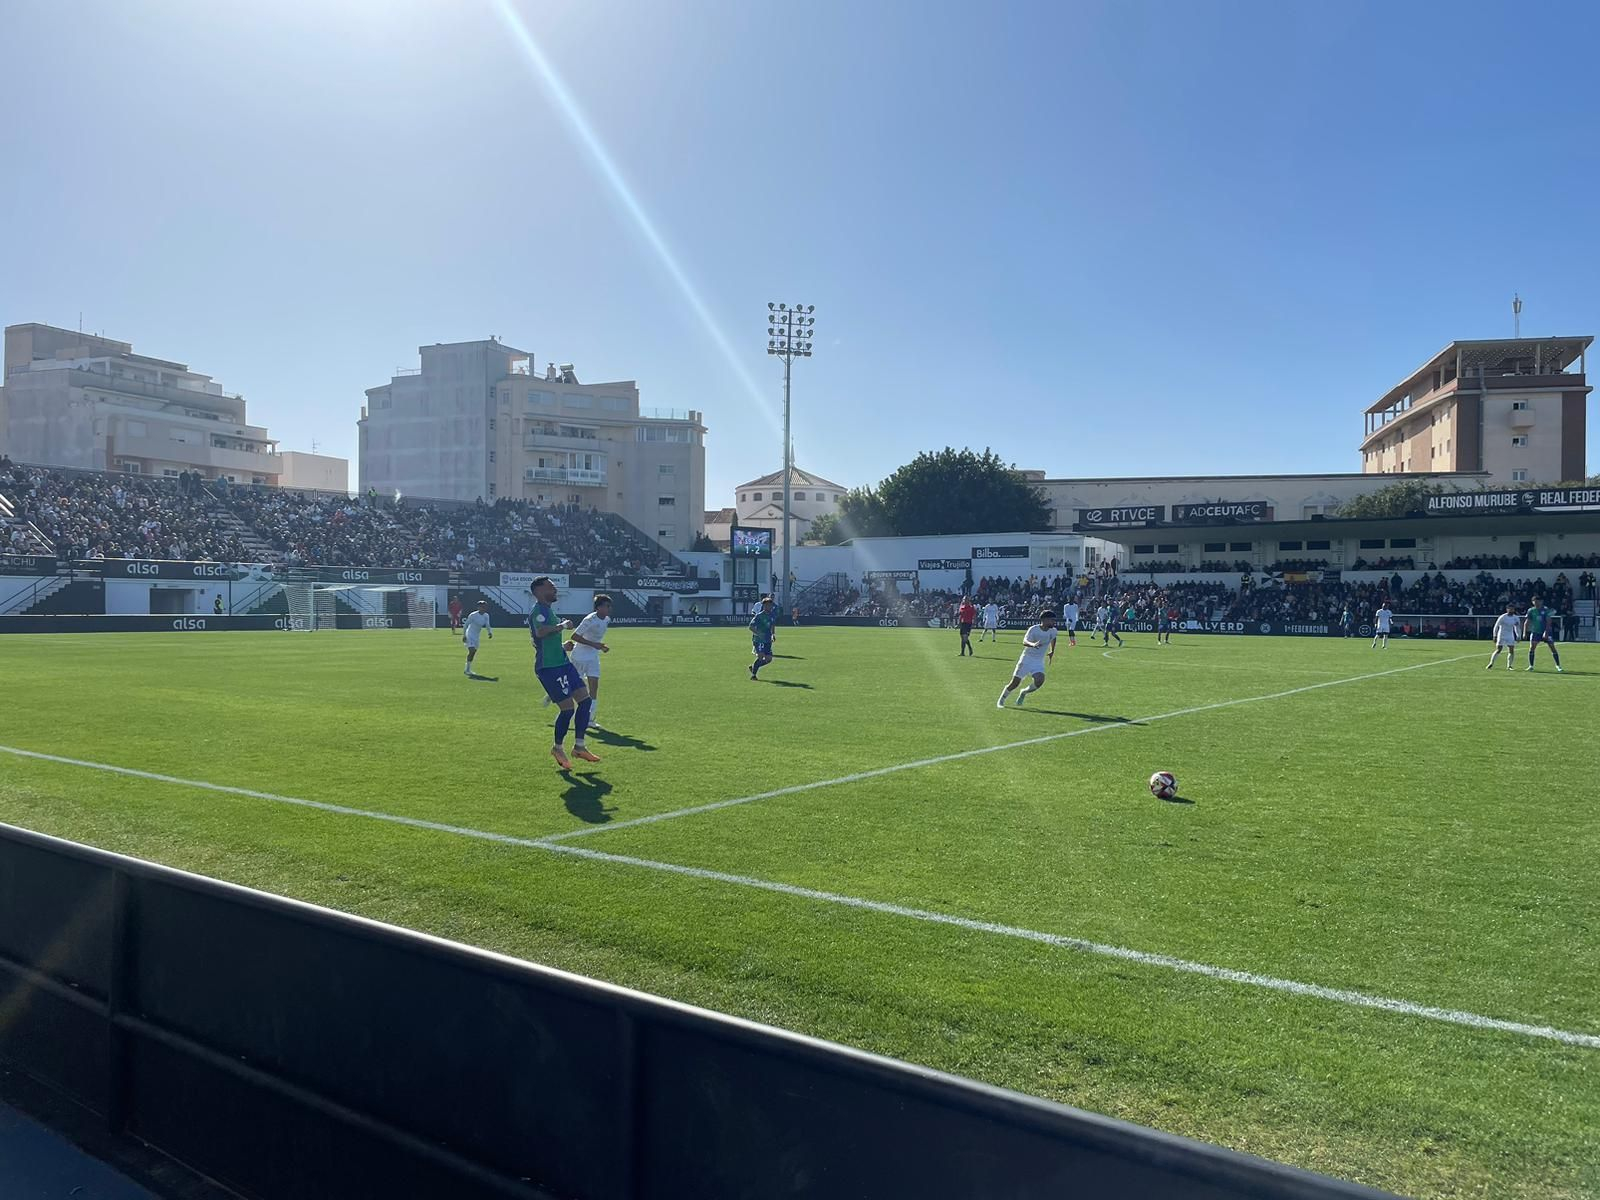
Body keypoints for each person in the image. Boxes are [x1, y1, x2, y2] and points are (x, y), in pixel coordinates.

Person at [530, 577, 598, 768]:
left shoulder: (547, 610)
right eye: (551, 587)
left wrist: (562, 646)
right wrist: (563, 626)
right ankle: (558, 748)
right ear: (539, 591)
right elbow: (541, 632)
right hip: (549, 668)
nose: (555, 589)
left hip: (562, 663)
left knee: (585, 701)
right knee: (568, 709)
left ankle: (579, 746)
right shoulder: (539, 611)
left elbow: (540, 642)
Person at [564, 594, 613, 729]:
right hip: (579, 657)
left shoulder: (607, 619)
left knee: (594, 687)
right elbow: (574, 636)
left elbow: (595, 640)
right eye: (607, 606)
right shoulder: (590, 619)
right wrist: (594, 645)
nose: (609, 609)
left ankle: (589, 719)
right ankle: (562, 710)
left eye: (610, 606)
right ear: (598, 608)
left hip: (593, 657)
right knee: (575, 689)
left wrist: (600, 647)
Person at [997, 609, 1058, 708]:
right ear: (1044, 620)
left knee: (1040, 680)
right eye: (1052, 620)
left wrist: (1052, 651)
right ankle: (1001, 700)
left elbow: (1053, 638)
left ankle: (1024, 692)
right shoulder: (1033, 629)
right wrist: (1032, 644)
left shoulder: (1053, 631)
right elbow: (1024, 641)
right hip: (1026, 659)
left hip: (1038, 661)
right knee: (1015, 683)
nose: (1054, 622)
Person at [1522, 595, 1563, 672]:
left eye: (1538, 602)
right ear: (1533, 602)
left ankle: (1558, 666)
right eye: (1535, 602)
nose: (1537, 603)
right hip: (1535, 632)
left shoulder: (1545, 610)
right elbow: (1527, 622)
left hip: (1546, 632)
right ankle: (1531, 666)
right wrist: (1524, 632)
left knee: (1552, 647)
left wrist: (1546, 632)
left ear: (1541, 602)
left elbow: (1548, 622)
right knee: (1532, 648)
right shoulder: (1531, 610)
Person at [749, 596, 777, 680]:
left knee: (768, 659)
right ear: (763, 606)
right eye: (767, 605)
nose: (769, 607)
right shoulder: (759, 616)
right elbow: (751, 627)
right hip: (759, 639)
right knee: (760, 657)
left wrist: (773, 634)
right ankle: (754, 675)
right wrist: (758, 633)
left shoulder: (772, 615)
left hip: (768, 639)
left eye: (770, 605)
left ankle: (754, 667)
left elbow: (772, 625)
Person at [462, 599, 493, 676]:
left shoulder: (486, 616)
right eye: (482, 607)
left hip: (476, 636)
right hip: (469, 634)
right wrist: (464, 635)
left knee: (473, 652)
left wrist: (489, 632)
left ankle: (468, 669)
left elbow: (487, 625)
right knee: (471, 650)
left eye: (485, 607)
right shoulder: (473, 615)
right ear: (478, 607)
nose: (484, 608)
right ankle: (467, 669)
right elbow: (466, 625)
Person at [1487, 601, 1520, 671]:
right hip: (1501, 634)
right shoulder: (1502, 617)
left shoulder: (1516, 618)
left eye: (1512, 609)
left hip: (1510, 635)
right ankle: (1491, 663)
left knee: (1511, 650)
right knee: (1498, 649)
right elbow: (1496, 626)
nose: (1511, 610)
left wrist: (1518, 636)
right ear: (1507, 609)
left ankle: (1509, 666)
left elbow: (1517, 627)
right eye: (1509, 609)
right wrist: (1494, 635)